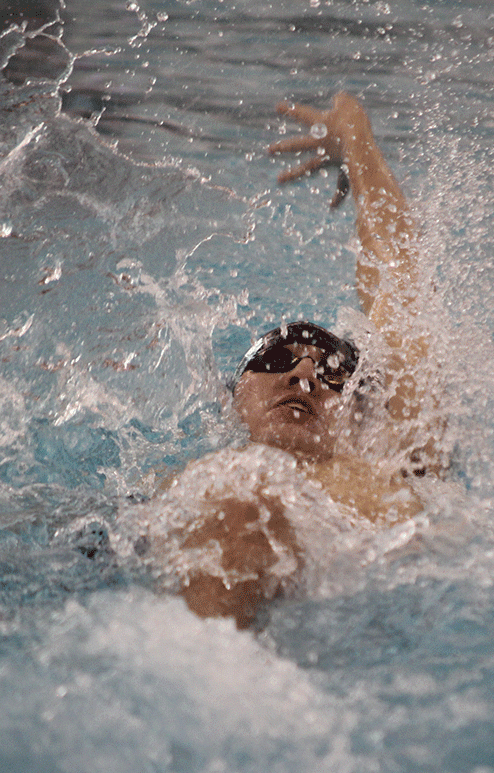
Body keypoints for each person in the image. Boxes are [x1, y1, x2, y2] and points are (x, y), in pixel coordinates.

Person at [124, 92, 445, 629]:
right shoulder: (169, 481)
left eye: (335, 372)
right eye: (275, 357)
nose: (303, 373)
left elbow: (401, 285)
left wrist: (358, 141)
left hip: (362, 613)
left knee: (244, 509)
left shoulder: (398, 464)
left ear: (362, 415)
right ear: (231, 401)